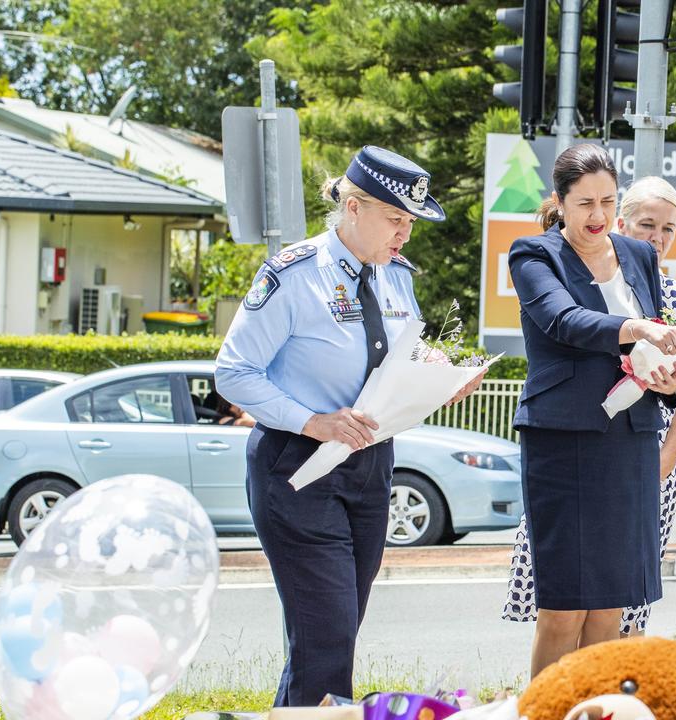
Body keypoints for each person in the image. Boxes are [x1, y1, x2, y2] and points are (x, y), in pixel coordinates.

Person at [215, 146, 480, 706]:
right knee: (328, 638)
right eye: (396, 219)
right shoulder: (293, 274)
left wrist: (436, 372)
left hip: (369, 465)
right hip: (297, 465)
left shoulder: (396, 276)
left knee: (331, 637)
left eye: (410, 222)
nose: (405, 234)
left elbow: (394, 356)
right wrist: (313, 421)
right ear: (353, 207)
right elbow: (233, 373)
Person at [507, 144, 676, 677]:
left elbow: (653, 353)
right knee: (564, 608)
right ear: (560, 202)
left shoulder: (639, 256)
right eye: (584, 202)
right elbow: (564, 320)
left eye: (608, 202)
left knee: (610, 605)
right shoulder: (533, 255)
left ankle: (595, 710)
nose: (598, 216)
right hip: (563, 441)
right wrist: (637, 330)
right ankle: (543, 714)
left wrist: (668, 376)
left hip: (631, 439)